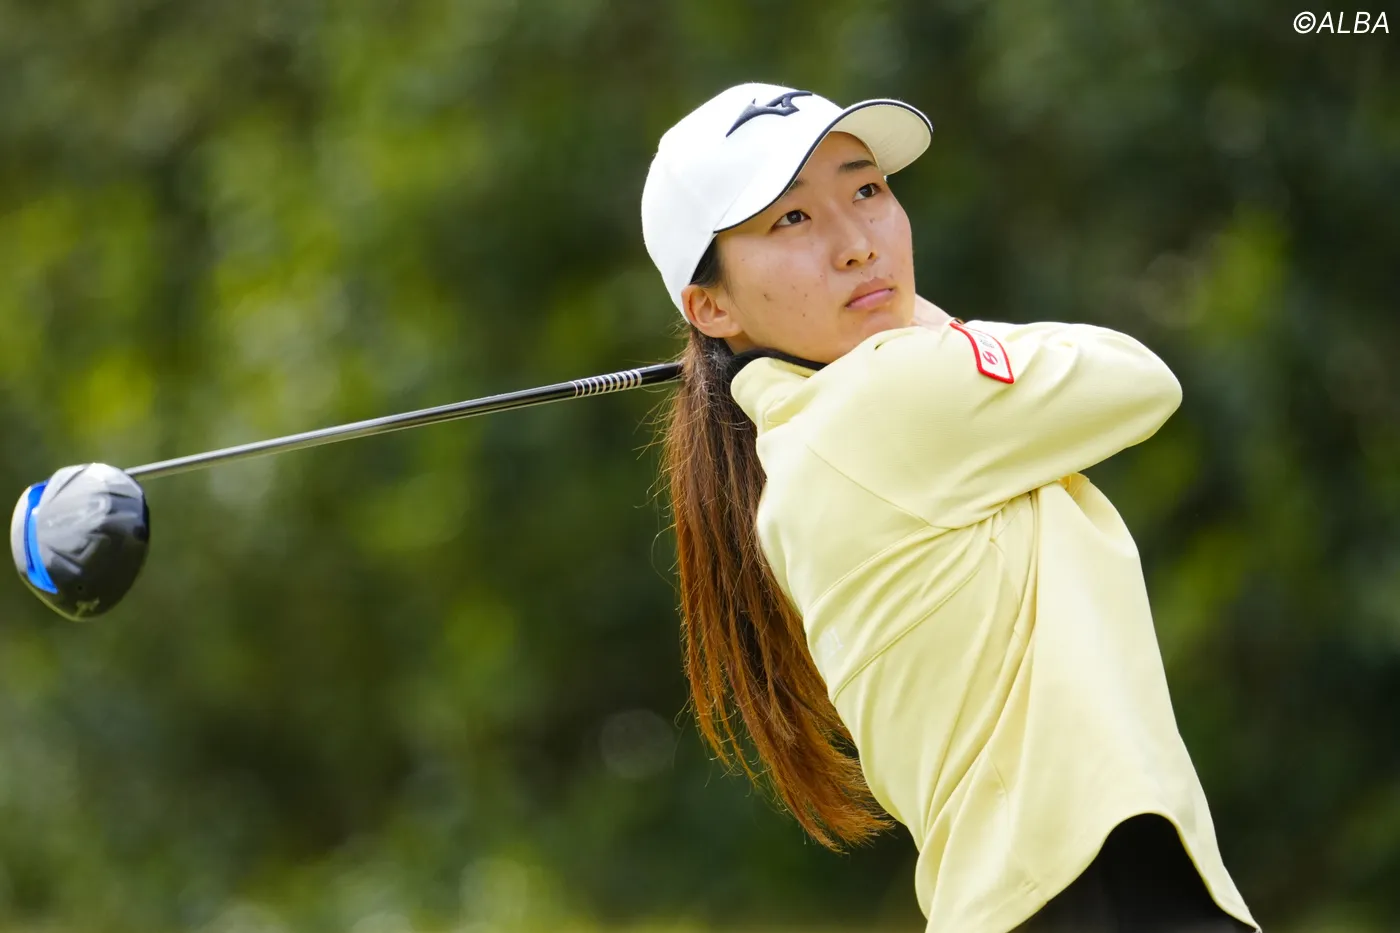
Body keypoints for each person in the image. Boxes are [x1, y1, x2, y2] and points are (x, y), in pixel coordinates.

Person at [641, 83, 1262, 933]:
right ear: (711, 306)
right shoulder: (876, 406)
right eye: (792, 219)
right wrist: (922, 321)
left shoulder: (817, 440)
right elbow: (1139, 379)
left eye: (867, 190)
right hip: (1089, 894)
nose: (858, 243)